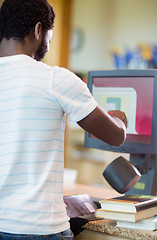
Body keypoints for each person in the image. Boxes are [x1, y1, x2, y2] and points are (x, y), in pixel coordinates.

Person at [0, 0, 127, 239]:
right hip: (38, 229)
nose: (48, 41)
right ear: (39, 30)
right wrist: (119, 119)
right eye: (50, 34)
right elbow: (115, 136)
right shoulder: (54, 78)